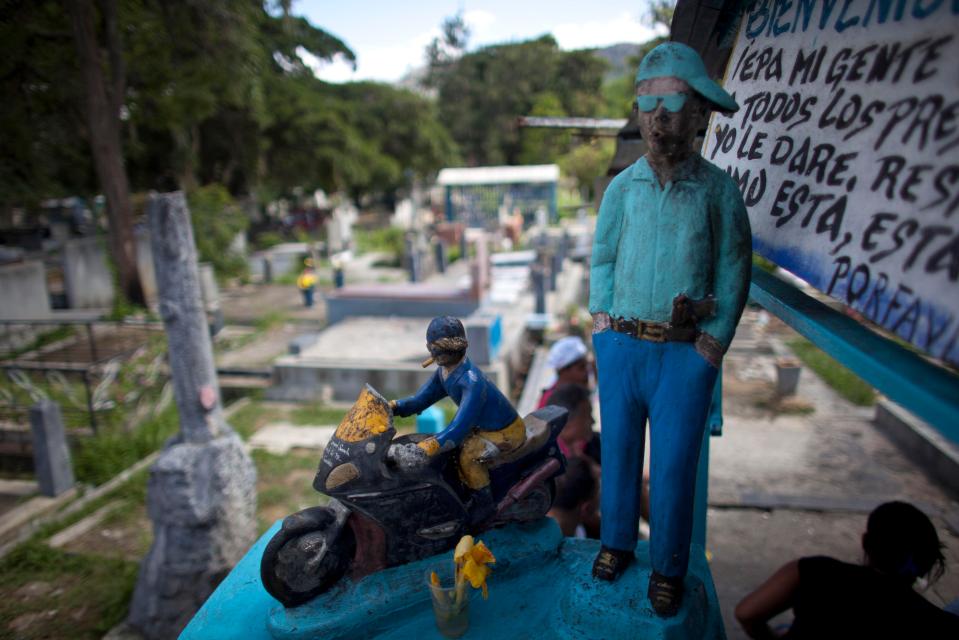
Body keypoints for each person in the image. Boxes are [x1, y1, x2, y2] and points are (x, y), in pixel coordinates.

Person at [589, 41, 752, 617]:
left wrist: (713, 344)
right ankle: (614, 542)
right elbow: (604, 258)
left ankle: (669, 567)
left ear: (701, 114)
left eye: (676, 104)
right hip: (623, 346)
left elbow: (735, 269)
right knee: (620, 452)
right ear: (637, 110)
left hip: (686, 353)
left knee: (676, 463)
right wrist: (603, 324)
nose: (660, 119)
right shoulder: (622, 190)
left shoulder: (717, 192)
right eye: (650, 104)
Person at [735, 501, 959, 638]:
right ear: (926, 562)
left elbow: (746, 613)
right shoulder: (938, 623)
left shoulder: (816, 571)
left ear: (866, 542)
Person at [389, 316, 526, 525]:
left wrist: (426, 448)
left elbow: (459, 427)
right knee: (451, 453)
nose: (438, 353)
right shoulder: (444, 373)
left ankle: (484, 505)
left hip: (505, 431)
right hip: (481, 429)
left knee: (468, 455)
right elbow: (421, 399)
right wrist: (394, 407)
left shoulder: (471, 381)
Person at [537, 336, 590, 408]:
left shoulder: (576, 395)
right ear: (563, 370)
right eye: (581, 368)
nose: (587, 372)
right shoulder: (553, 402)